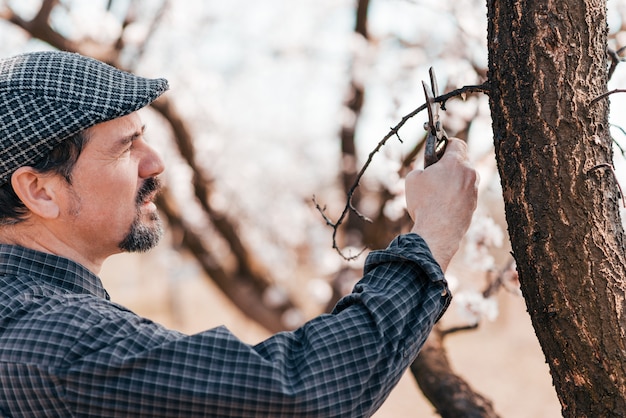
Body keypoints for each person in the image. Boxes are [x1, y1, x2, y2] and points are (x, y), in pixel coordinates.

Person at [0, 51, 478, 417]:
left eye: (144, 135)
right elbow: (299, 393)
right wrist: (433, 236)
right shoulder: (47, 342)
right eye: (126, 148)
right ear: (40, 190)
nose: (155, 162)